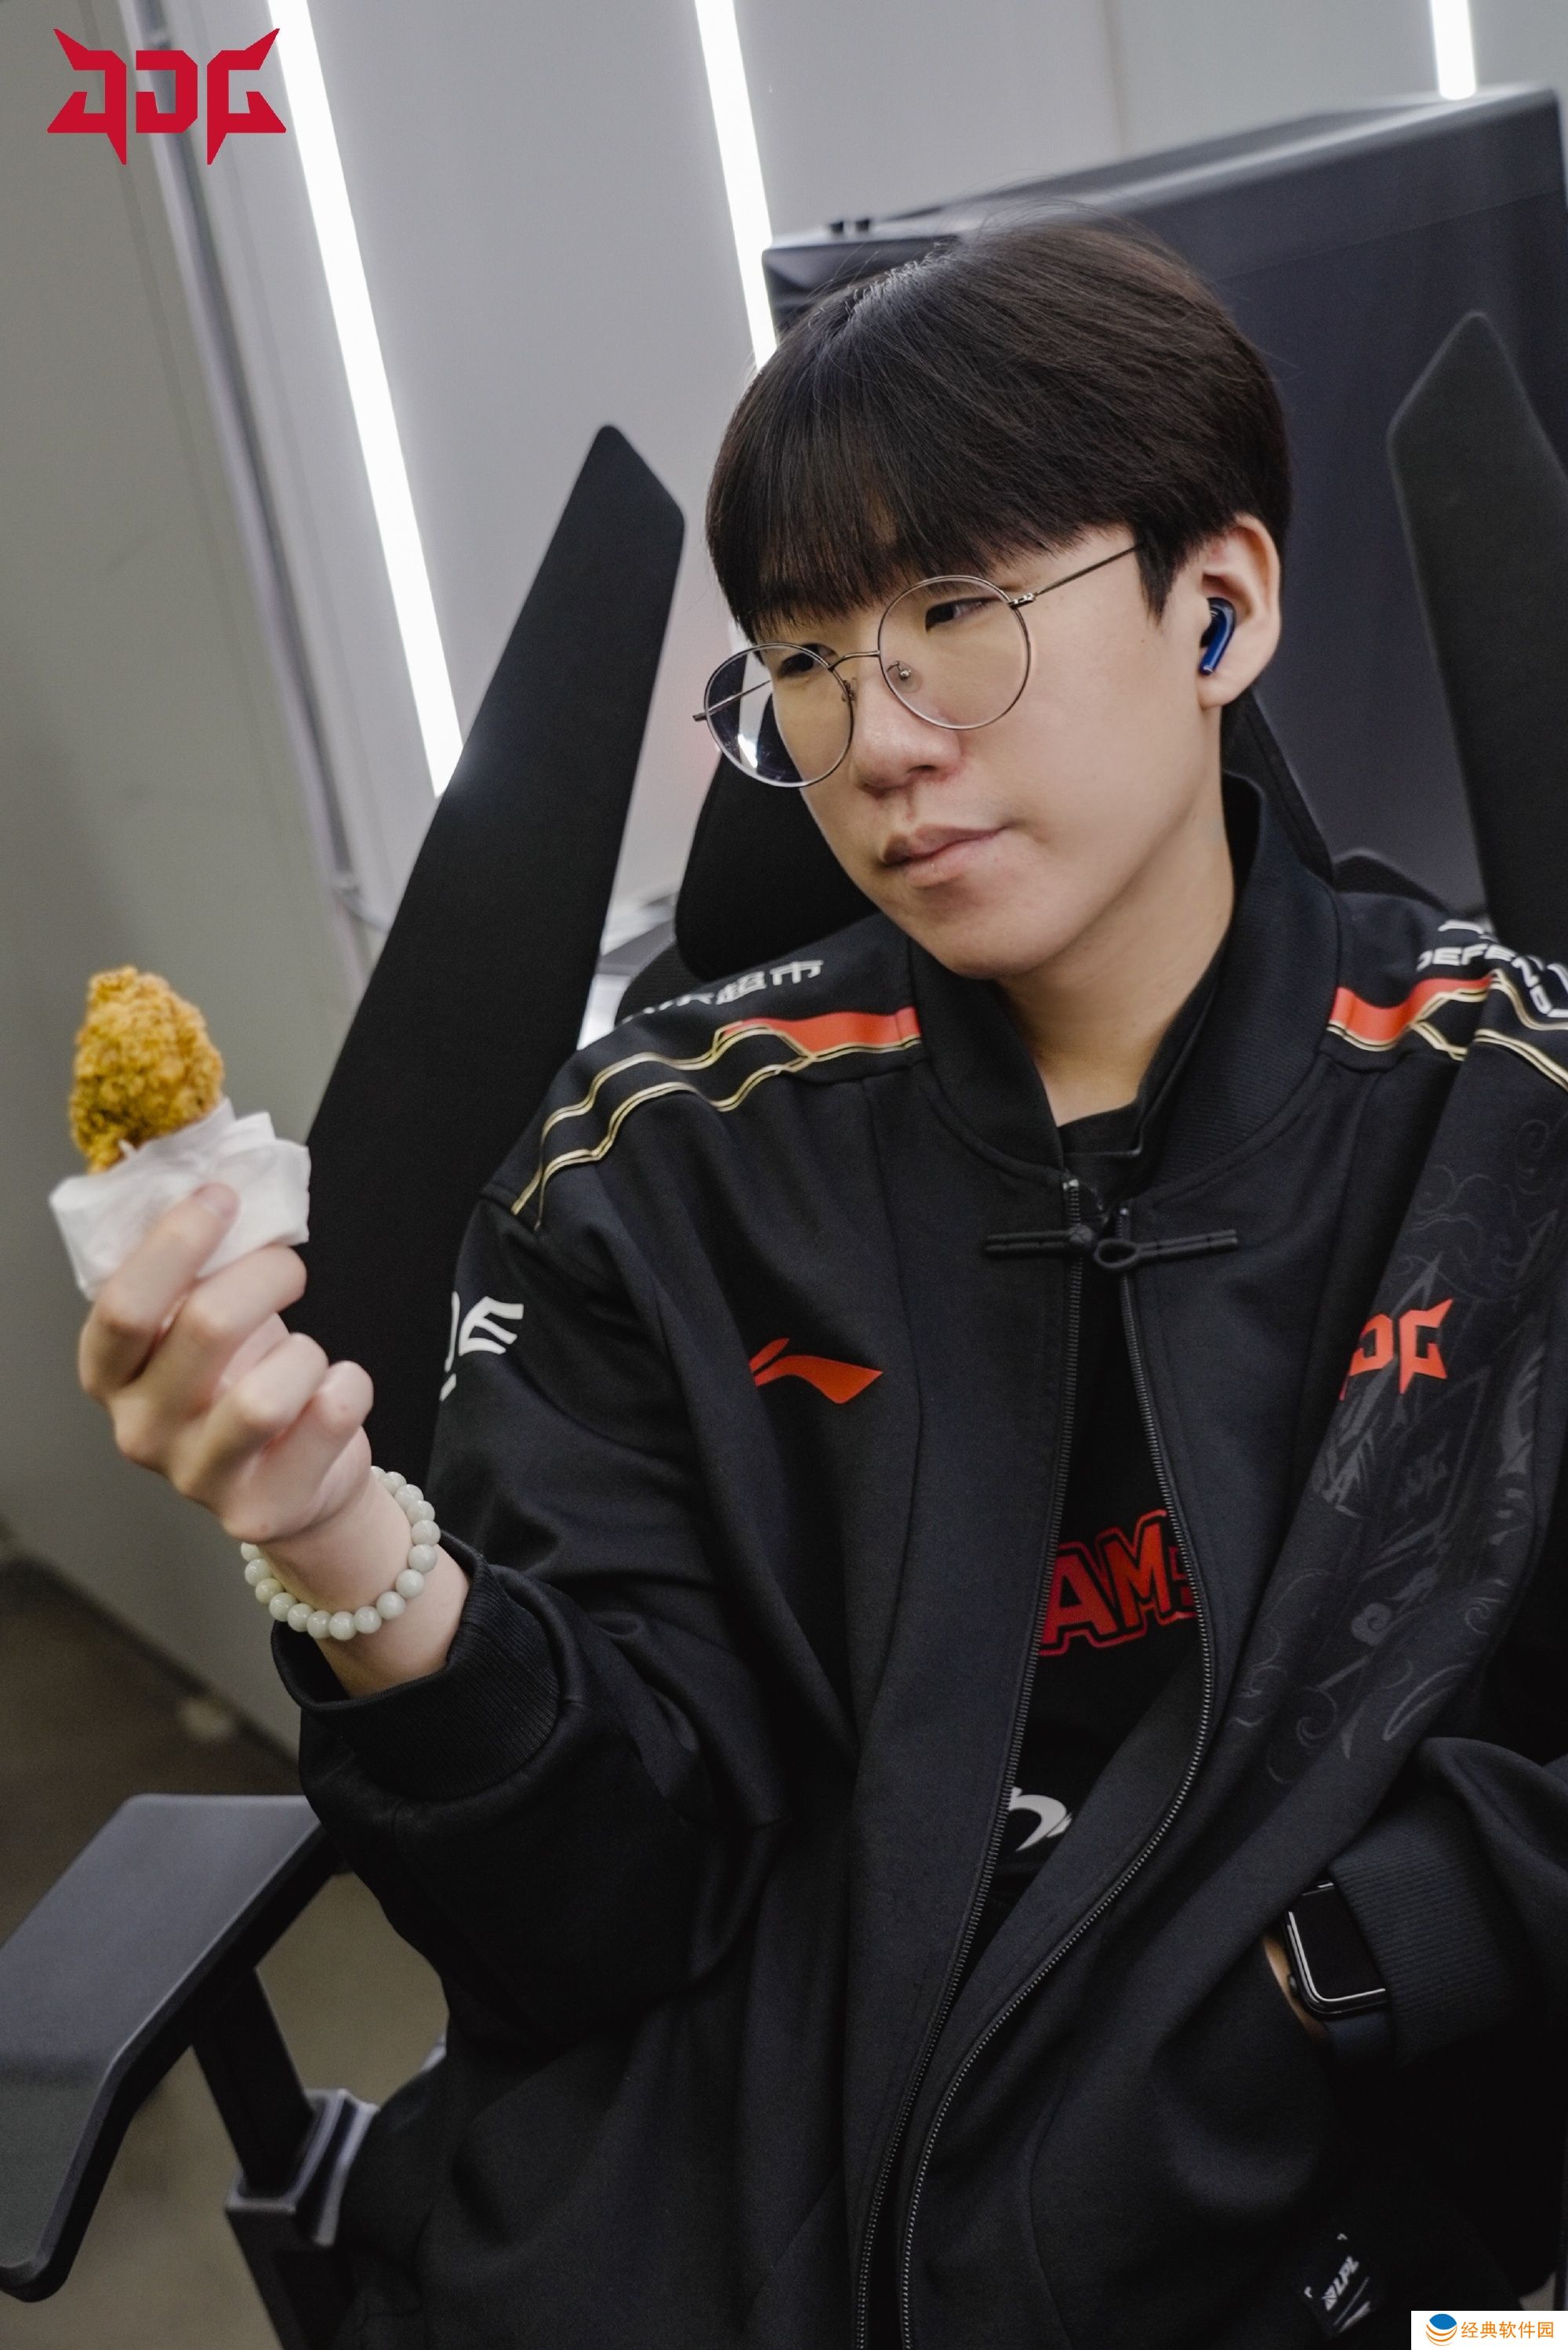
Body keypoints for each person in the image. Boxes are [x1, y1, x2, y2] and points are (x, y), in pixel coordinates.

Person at [78, 223, 1568, 2348]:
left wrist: (1330, 1970)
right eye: (804, 655)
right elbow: (593, 1918)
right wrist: (341, 1545)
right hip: (718, 2219)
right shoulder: (657, 1166)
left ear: (1218, 604)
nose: (877, 738)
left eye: (958, 615)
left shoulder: (1501, 1123)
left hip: (1303, 2221)